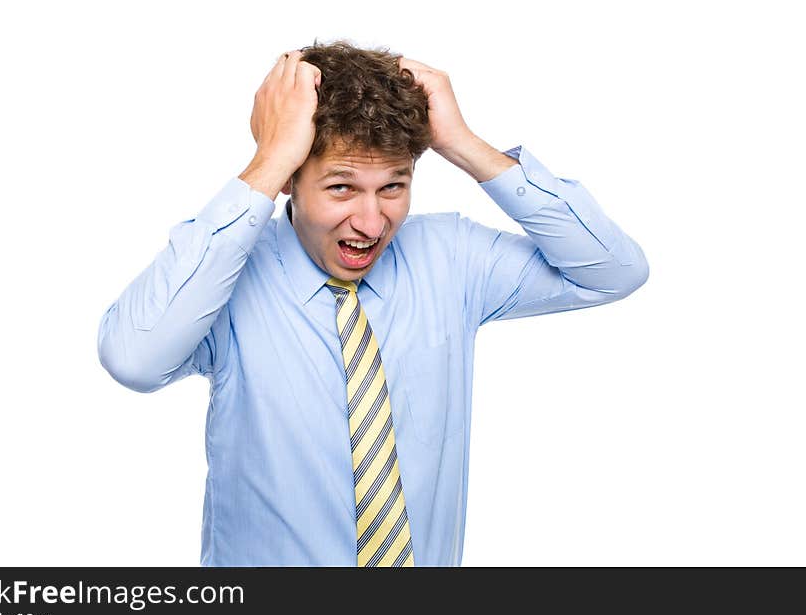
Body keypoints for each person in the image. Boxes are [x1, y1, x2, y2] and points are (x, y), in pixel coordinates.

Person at [97, 40, 649, 567]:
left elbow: (613, 272)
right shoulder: (226, 271)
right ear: (292, 177)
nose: (370, 222)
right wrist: (266, 163)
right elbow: (133, 359)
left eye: (393, 187)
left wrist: (462, 143)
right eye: (341, 188)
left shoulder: (451, 257)